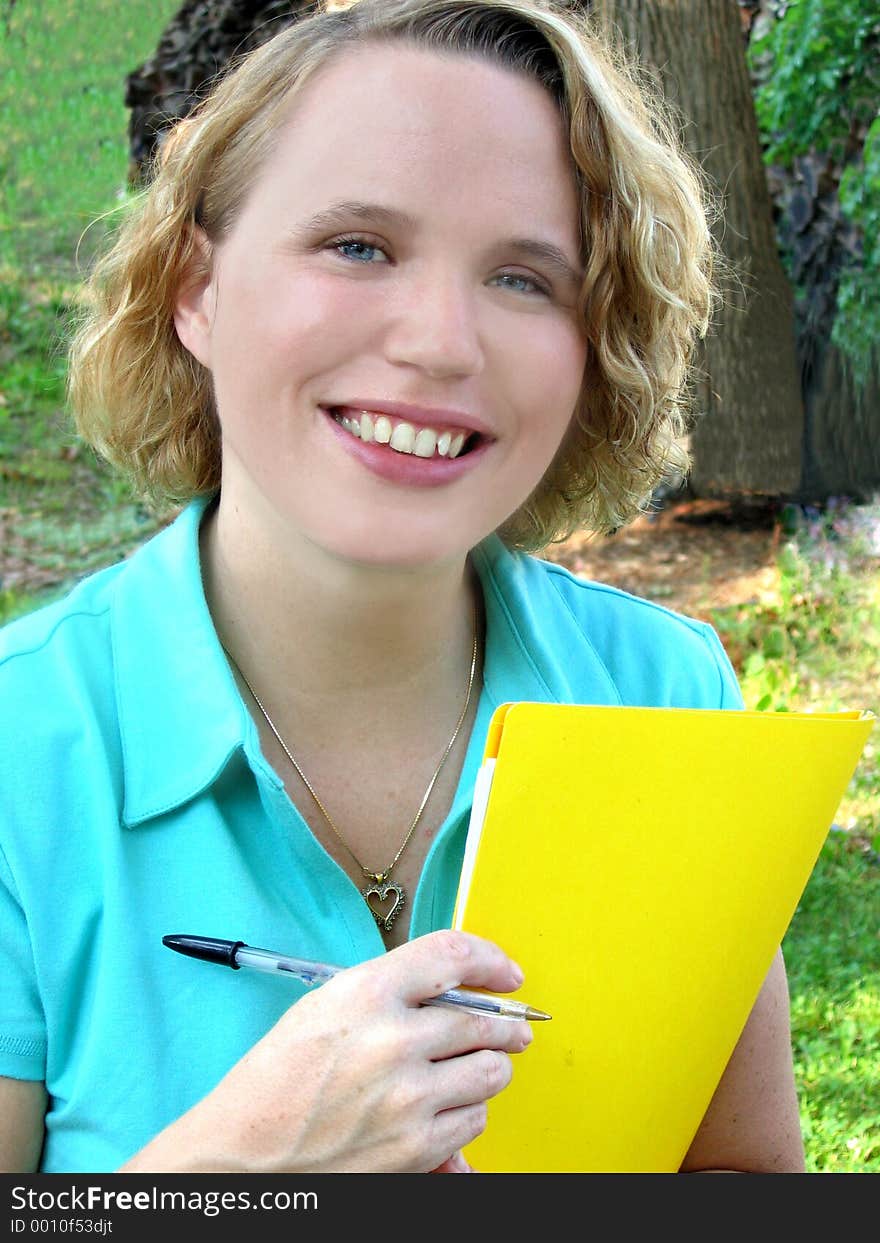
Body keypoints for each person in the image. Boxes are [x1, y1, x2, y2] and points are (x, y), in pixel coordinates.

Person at [0, 0, 806, 1175]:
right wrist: (248, 1161)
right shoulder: (20, 749)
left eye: (526, 277)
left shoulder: (664, 690)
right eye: (358, 246)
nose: (439, 341)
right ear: (195, 288)